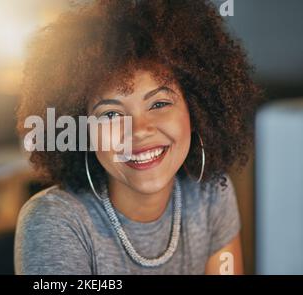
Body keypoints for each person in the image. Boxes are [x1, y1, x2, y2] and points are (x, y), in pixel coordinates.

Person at [15, 0, 262, 274]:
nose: (139, 130)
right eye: (110, 114)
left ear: (196, 110)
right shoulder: (55, 222)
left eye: (159, 104)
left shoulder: (211, 195)